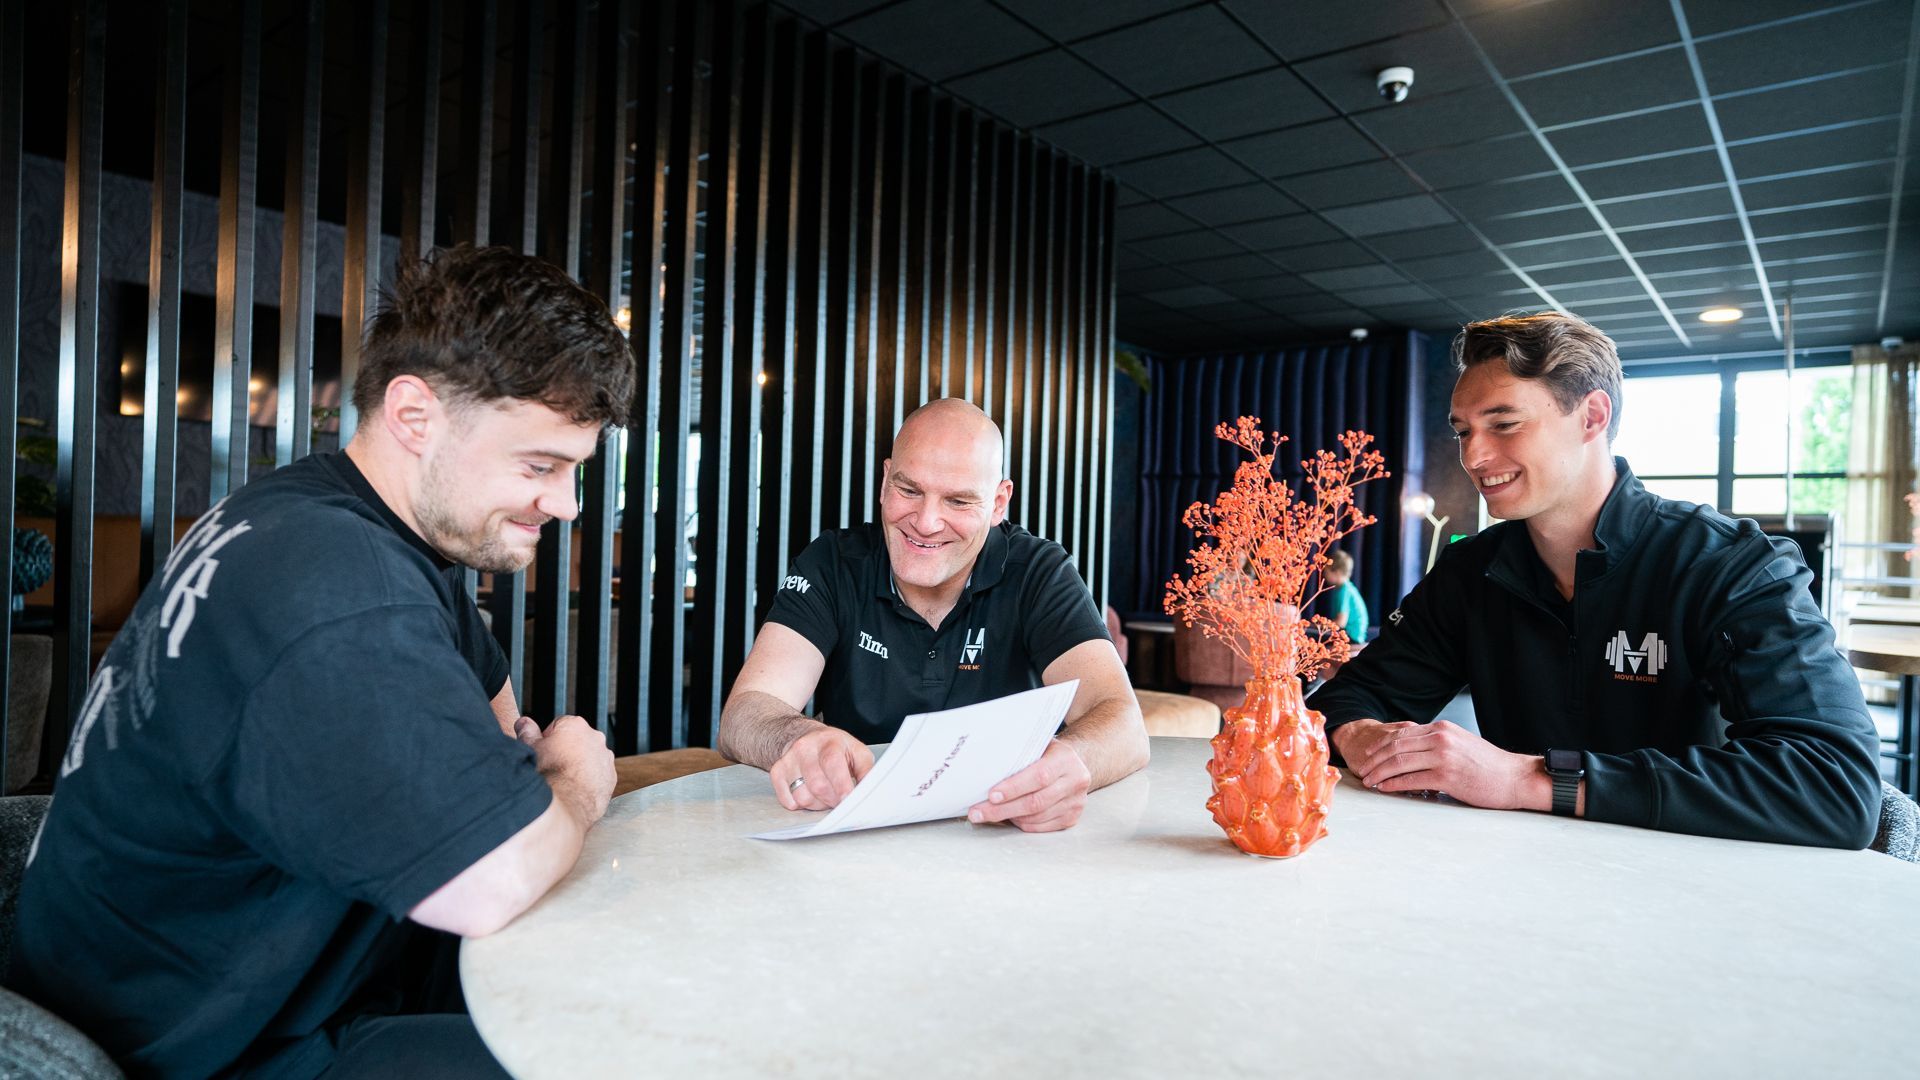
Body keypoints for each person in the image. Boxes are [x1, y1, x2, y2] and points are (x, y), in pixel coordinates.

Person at [4, 245, 636, 1077]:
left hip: (305, 976)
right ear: (414, 415)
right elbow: (493, 872)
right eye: (540, 465)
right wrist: (576, 782)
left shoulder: (322, 514)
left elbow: (497, 724)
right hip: (215, 1045)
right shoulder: (335, 583)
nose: (566, 504)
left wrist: (518, 790)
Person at [1307, 311, 1881, 848]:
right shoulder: (1470, 572)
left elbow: (1835, 784)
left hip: (1690, 875)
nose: (1474, 456)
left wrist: (1529, 779)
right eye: (1462, 431)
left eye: (1504, 424)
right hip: (1519, 869)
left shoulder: (1729, 564)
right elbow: (1339, 704)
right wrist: (1360, 734)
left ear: (1592, 417)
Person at [717, 398, 1148, 833]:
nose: (925, 523)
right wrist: (801, 738)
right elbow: (744, 714)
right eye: (909, 490)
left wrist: (1071, 763)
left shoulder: (1038, 571)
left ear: (999, 503)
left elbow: (1124, 722)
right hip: (857, 834)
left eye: (958, 501)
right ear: (885, 481)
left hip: (999, 836)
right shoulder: (832, 564)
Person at [1324, 549, 1369, 644]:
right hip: (1354, 635)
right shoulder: (1347, 588)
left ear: (1337, 572)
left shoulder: (1344, 590)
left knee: (1310, 634)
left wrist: (1321, 625)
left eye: (1326, 572)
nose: (1324, 575)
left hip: (1351, 636)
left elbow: (1341, 622)